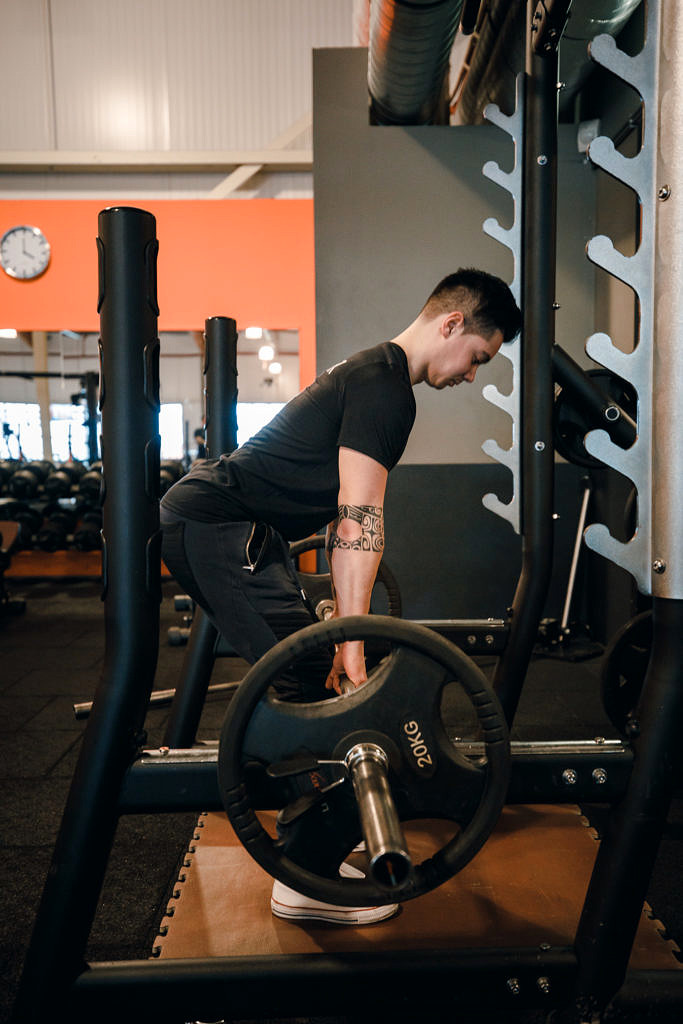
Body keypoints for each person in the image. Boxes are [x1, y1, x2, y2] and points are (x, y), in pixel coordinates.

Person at [160, 267, 522, 925]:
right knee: (310, 681)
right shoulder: (385, 388)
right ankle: (306, 880)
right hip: (217, 526)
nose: (473, 374)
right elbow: (359, 519)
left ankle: (320, 840)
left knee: (316, 676)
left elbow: (340, 520)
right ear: (452, 324)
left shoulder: (375, 374)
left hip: (240, 530)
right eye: (478, 356)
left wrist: (344, 631)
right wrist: (348, 641)